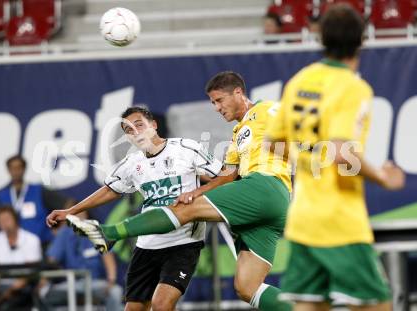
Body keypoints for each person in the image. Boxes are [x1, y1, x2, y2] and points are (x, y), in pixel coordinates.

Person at [48, 72, 293, 311]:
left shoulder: (265, 110)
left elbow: (298, 124)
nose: (216, 108)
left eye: (219, 100)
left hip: (265, 186)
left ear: (238, 92)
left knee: (184, 214)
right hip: (256, 210)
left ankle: (110, 233)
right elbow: (227, 176)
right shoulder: (237, 134)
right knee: (247, 288)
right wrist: (199, 192)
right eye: (213, 103)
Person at [266, 4, 405, 311]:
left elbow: (273, 144)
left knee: (309, 305)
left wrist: (309, 161)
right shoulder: (353, 88)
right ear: (362, 40)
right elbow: (343, 154)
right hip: (339, 219)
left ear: (321, 38)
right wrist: (383, 176)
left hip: (303, 218)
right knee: (377, 303)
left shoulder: (300, 79)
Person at [49, 106, 223, 311]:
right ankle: (109, 234)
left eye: (139, 125)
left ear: (154, 125)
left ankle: (109, 233)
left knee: (161, 305)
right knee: (134, 309)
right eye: (128, 130)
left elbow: (224, 177)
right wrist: (71, 211)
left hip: (183, 242)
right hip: (147, 245)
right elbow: (110, 190)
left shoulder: (186, 148)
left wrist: (199, 192)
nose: (135, 132)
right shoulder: (132, 163)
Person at [44, 210, 123, 310]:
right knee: (44, 294)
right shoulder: (64, 233)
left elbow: (108, 256)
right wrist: (44, 280)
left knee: (115, 292)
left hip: (94, 283)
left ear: (87, 216)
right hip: (70, 284)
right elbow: (51, 260)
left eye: (81, 213)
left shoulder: (95, 231)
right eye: (74, 215)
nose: (78, 218)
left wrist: (111, 280)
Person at [0, 155, 74, 245]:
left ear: (24, 169)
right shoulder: (3, 195)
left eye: (18, 167)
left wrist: (60, 229)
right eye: (12, 168)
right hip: (13, 247)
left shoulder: (38, 190)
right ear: (8, 170)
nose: (16, 171)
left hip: (41, 245)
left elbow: (68, 203)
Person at [0, 205, 42, 310]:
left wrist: (9, 292)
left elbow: (30, 273)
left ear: (16, 220)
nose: (3, 223)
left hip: (25, 291)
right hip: (0, 289)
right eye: (0, 220)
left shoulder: (32, 240)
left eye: (6, 219)